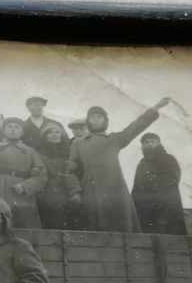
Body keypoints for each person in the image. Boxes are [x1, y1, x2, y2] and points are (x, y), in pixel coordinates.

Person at [70, 98, 173, 232]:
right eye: (92, 117)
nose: (95, 120)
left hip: (116, 191)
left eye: (99, 117)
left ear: (105, 121)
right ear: (88, 121)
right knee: (95, 231)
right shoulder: (78, 144)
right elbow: (70, 171)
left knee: (122, 229)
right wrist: (75, 192)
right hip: (91, 192)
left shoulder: (114, 140)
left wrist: (156, 107)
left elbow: (135, 127)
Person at [0, 117, 47, 229]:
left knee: (24, 224)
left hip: (21, 192)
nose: (13, 130)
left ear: (22, 132)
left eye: (17, 127)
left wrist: (25, 186)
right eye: (9, 127)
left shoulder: (30, 152)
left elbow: (41, 176)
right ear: (3, 131)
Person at [132, 133, 187, 235]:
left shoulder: (169, 159)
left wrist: (152, 183)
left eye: (152, 142)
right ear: (142, 146)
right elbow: (136, 187)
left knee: (168, 239)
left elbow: (173, 178)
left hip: (165, 209)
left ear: (158, 143)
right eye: (146, 143)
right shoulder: (142, 164)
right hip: (145, 210)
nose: (149, 144)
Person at [36, 120, 82, 229]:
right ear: (45, 136)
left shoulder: (67, 153)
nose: (54, 135)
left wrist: (75, 192)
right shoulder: (39, 154)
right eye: (50, 132)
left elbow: (69, 174)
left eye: (57, 132)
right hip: (46, 192)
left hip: (65, 191)